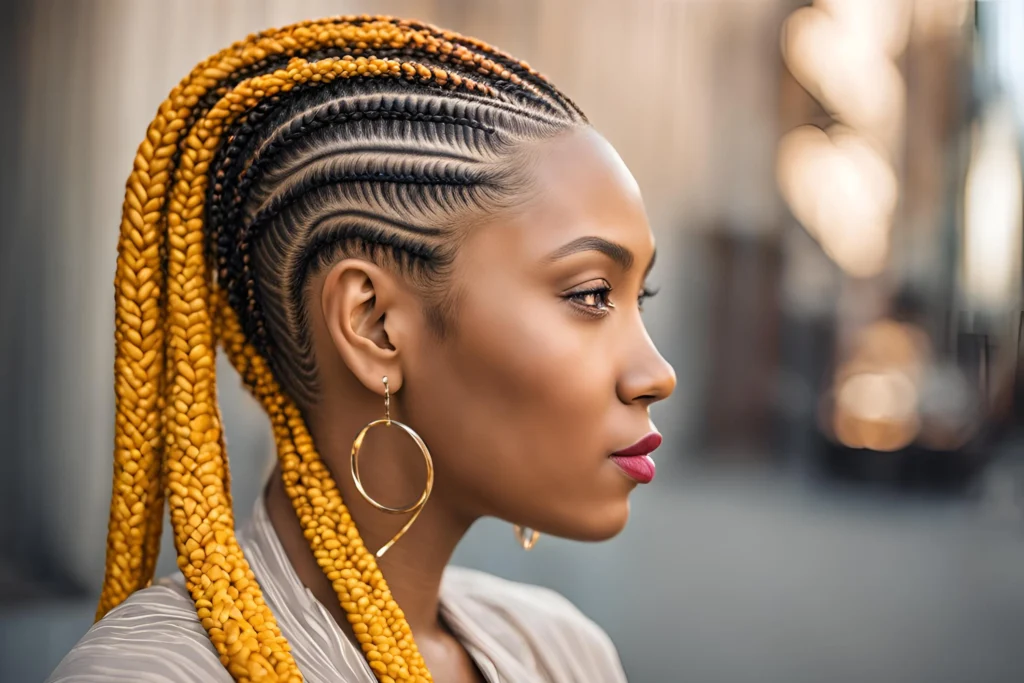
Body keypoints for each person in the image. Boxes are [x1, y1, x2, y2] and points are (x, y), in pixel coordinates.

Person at [48, 15, 675, 683]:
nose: (657, 374)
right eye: (591, 294)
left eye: (641, 297)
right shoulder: (150, 675)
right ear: (373, 325)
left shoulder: (567, 653)